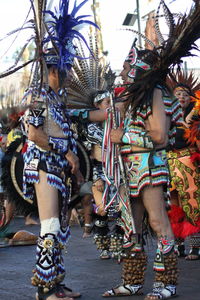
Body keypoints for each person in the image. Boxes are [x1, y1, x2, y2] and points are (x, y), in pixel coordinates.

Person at [102, 43, 183, 299]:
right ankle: (132, 281)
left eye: (127, 68)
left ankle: (166, 284)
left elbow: (159, 135)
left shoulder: (156, 92)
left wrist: (122, 135)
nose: (123, 73)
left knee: (158, 222)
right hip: (131, 169)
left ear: (140, 69)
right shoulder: (137, 96)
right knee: (132, 227)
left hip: (149, 167)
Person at [167, 82, 200, 260]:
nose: (181, 97)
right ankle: (178, 244)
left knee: (192, 201)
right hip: (168, 162)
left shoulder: (195, 118)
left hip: (188, 161)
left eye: (185, 95)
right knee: (174, 204)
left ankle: (195, 247)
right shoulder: (165, 115)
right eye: (178, 94)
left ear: (191, 99)